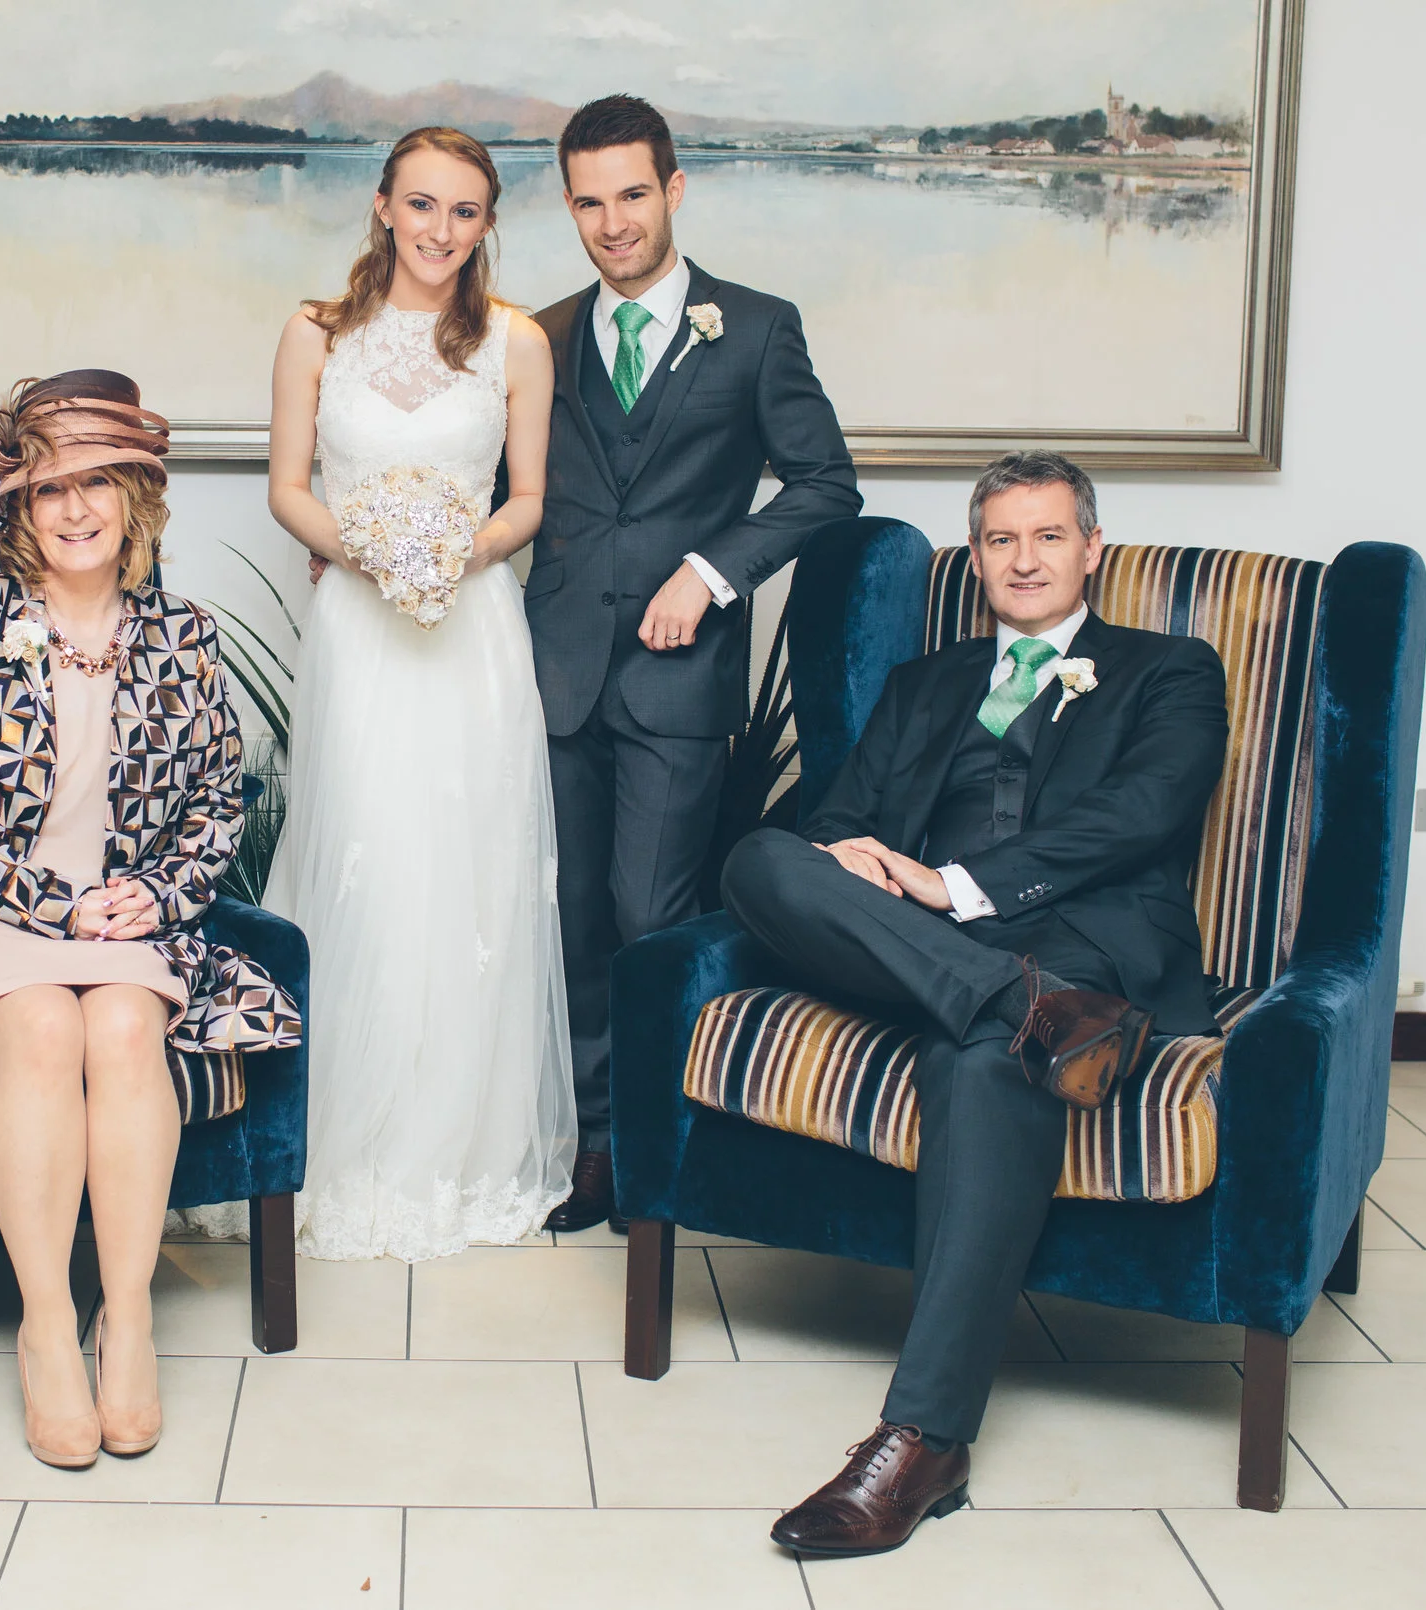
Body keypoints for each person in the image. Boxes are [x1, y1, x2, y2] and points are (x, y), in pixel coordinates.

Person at [719, 450, 1230, 1555]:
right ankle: (1023, 1002)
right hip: (934, 950)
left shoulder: (1170, 668)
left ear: (1091, 548)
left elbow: (1143, 814)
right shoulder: (925, 682)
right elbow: (833, 820)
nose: (1025, 558)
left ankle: (921, 1439)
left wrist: (955, 885)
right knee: (761, 858)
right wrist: (857, 866)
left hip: (1084, 943)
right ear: (978, 557)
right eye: (1002, 539)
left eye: (1048, 535)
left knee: (981, 1062)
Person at [0, 370, 301, 1469]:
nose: (75, 508)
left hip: (121, 921)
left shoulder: (182, 635)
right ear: (19, 510)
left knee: (126, 1027)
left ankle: (125, 1317)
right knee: (45, 1024)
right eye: (49, 489)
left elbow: (212, 808)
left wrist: (160, 893)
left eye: (96, 482)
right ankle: (47, 1321)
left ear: (135, 496)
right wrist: (52, 903)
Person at [525, 95, 862, 1232]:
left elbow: (825, 483)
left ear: (674, 190)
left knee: (648, 910)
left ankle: (664, 1143)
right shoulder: (541, 334)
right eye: (588, 200)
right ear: (566, 205)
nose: (612, 222)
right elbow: (495, 491)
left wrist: (712, 572)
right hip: (555, 668)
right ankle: (599, 1149)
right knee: (571, 911)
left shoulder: (756, 328)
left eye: (631, 193)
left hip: (678, 679)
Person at [257, 126, 576, 1259]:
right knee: (362, 853)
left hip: (472, 631)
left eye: (467, 212)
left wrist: (454, 553)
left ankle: (460, 1145)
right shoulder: (314, 334)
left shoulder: (514, 341)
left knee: (465, 869)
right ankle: (333, 1141)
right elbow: (287, 487)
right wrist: (366, 554)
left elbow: (529, 497)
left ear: (487, 225)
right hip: (357, 626)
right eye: (424, 205)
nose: (442, 231)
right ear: (383, 206)